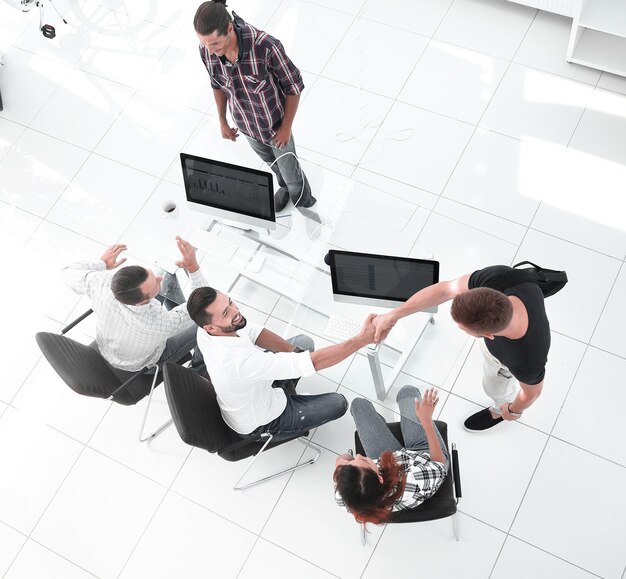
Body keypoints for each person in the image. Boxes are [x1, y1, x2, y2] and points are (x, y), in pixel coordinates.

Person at [372, 265, 551, 432]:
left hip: (502, 364)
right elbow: (445, 289)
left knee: (493, 388)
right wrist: (393, 316)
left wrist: (512, 410)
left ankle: (498, 410)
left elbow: (532, 393)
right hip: (503, 342)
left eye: (463, 329)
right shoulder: (501, 277)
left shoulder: (526, 359)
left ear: (489, 335)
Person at [186, 287, 379, 440]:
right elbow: (315, 362)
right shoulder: (239, 361)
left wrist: (292, 352)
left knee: (303, 344)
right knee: (339, 403)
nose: (236, 311)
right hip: (262, 420)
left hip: (254, 388)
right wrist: (362, 339)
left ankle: (286, 384)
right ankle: (284, 413)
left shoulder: (204, 331)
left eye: (231, 302)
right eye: (226, 313)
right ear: (211, 327)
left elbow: (254, 332)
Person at [193, 0, 316, 213]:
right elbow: (217, 84)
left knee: (290, 171)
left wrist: (286, 128)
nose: (210, 51)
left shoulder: (266, 47)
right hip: (246, 126)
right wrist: (222, 120)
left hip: (275, 127)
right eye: (205, 44)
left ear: (229, 28)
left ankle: (303, 201)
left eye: (214, 44)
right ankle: (285, 188)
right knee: (274, 166)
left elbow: (294, 86)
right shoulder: (207, 52)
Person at [62, 237, 208, 375]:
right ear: (141, 302)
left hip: (111, 347)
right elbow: (204, 303)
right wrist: (193, 267)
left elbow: (67, 272)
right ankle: (198, 370)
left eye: (151, 275)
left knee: (167, 273)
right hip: (146, 363)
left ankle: (183, 313)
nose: (159, 279)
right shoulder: (158, 323)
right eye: (155, 283)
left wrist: (103, 264)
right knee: (207, 320)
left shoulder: (101, 283)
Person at [333, 386, 448, 524]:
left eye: (351, 465)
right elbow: (439, 463)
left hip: (393, 459)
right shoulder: (415, 480)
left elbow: (343, 459)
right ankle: (397, 425)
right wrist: (426, 420)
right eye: (365, 460)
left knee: (359, 405)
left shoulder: (346, 496)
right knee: (407, 392)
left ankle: (384, 427)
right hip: (425, 454)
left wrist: (343, 464)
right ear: (380, 478)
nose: (358, 455)